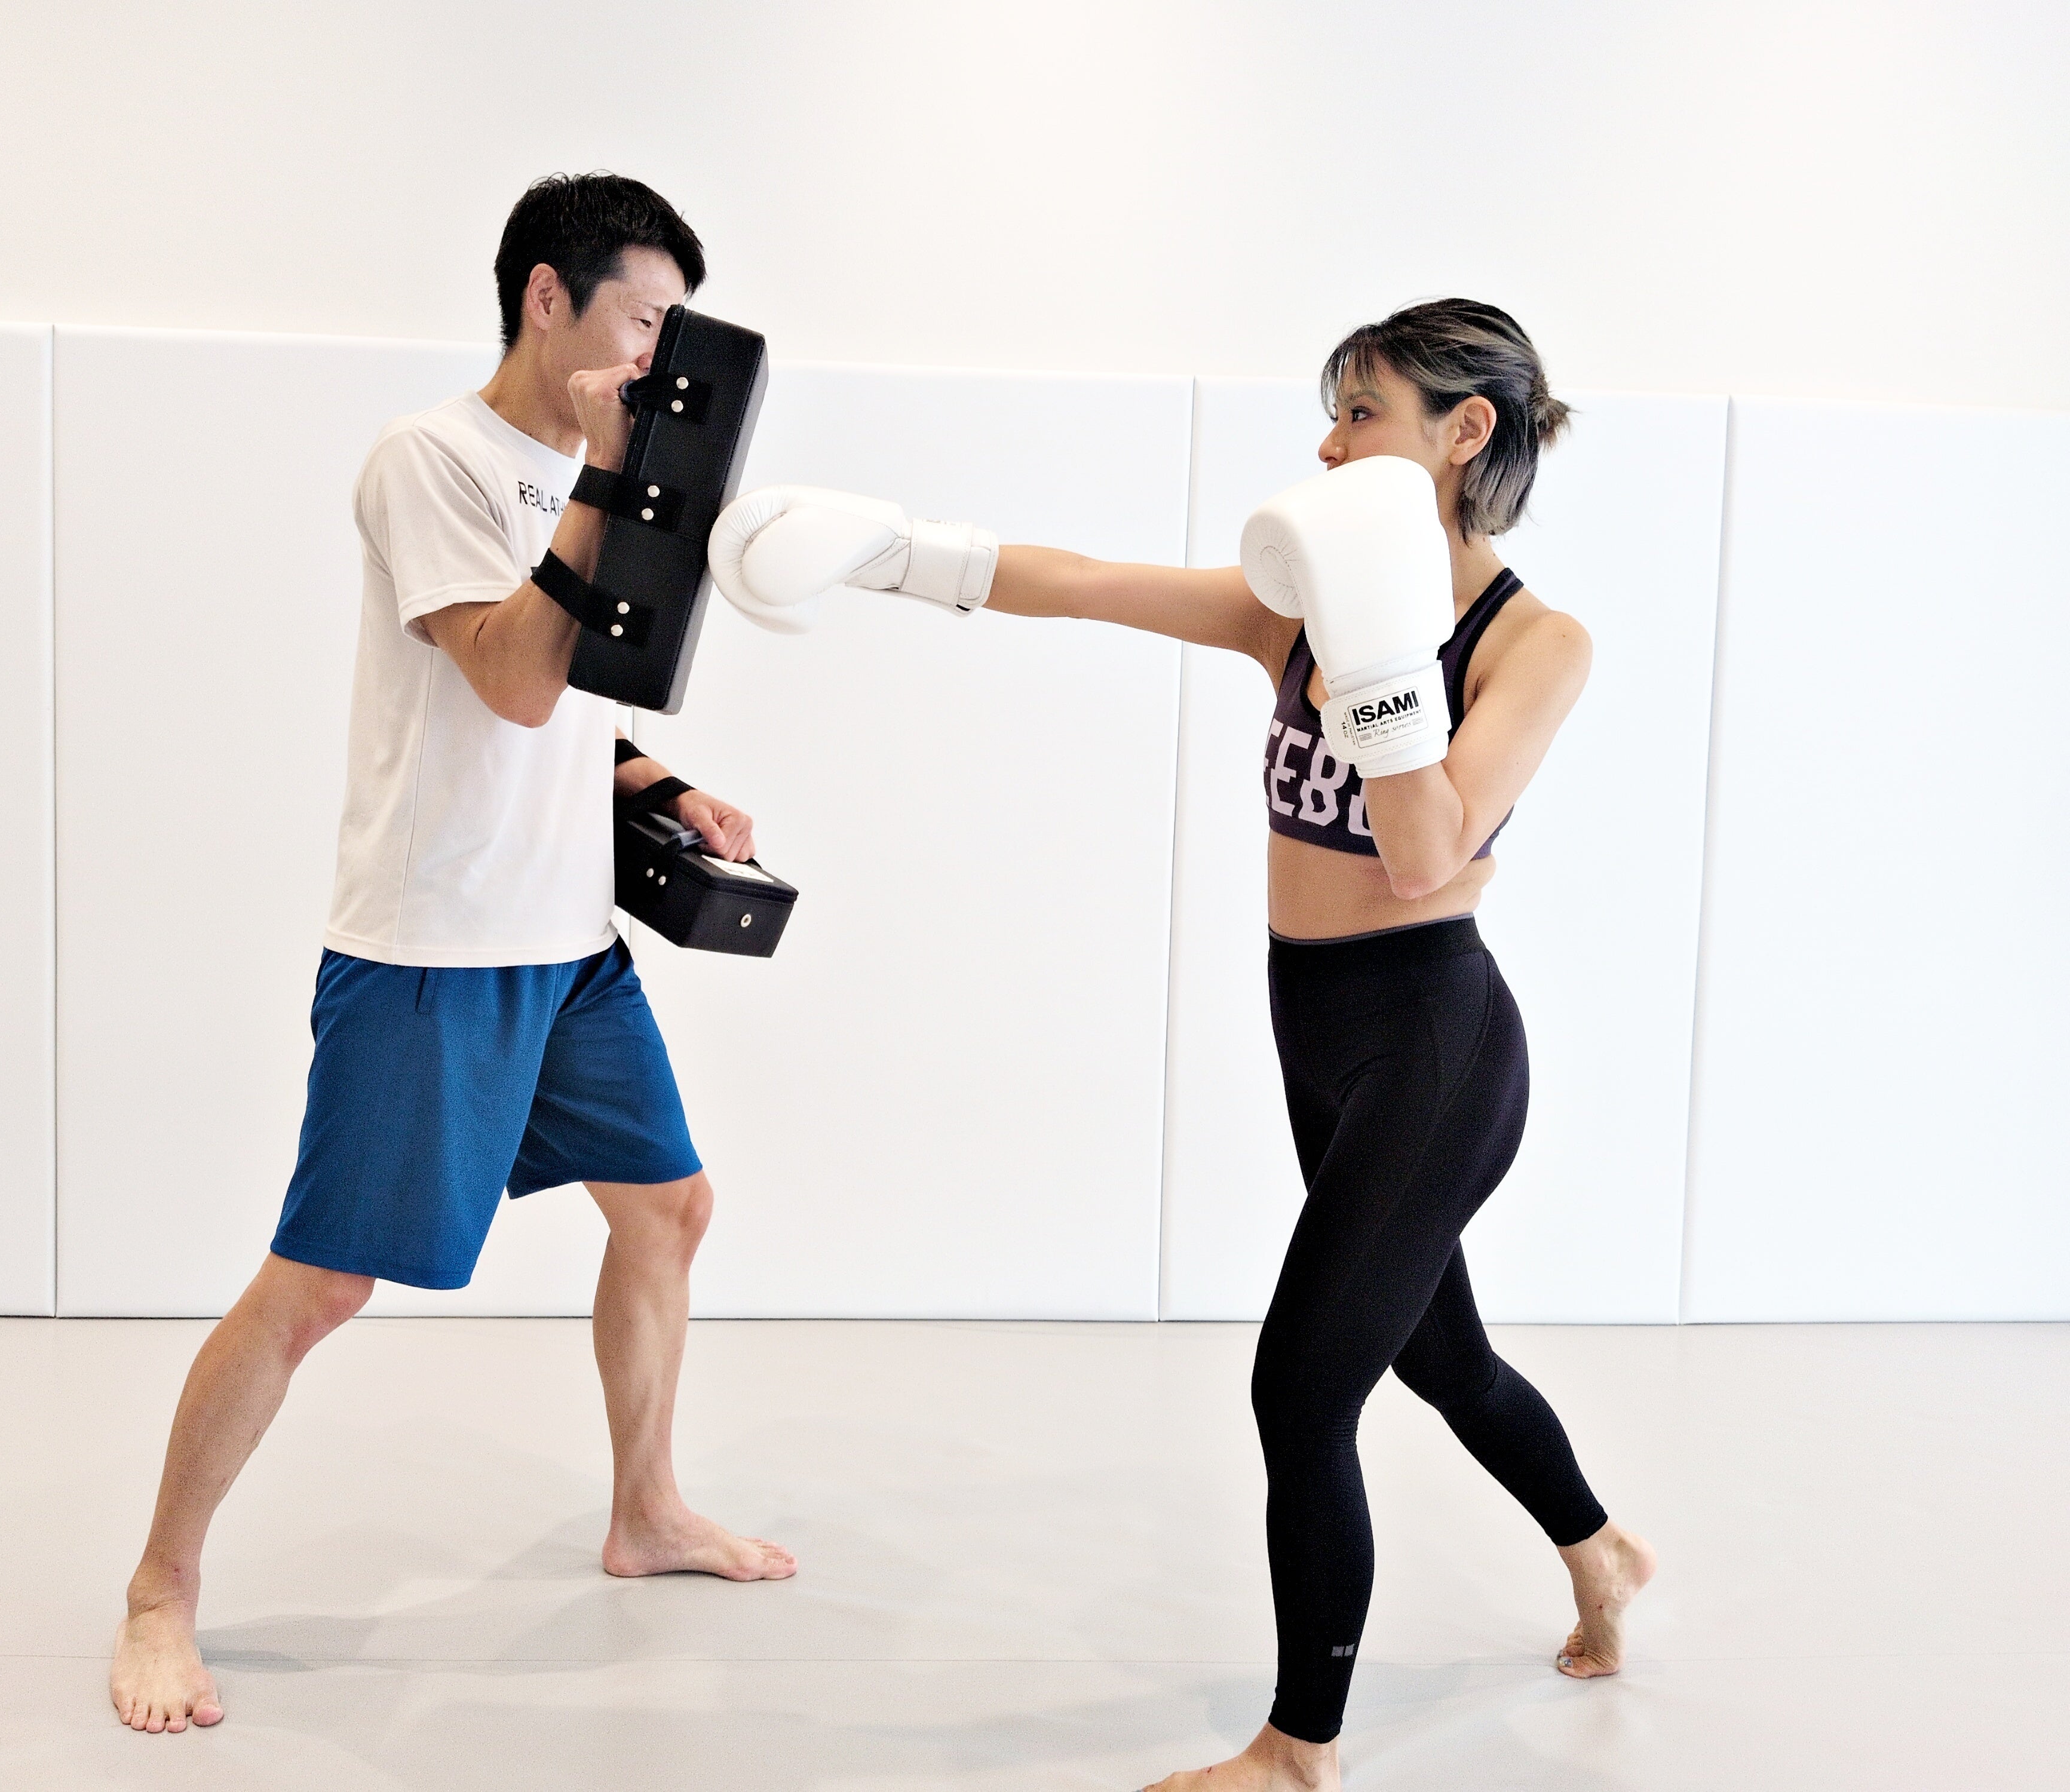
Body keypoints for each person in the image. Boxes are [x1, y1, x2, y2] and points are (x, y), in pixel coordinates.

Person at [709, 299, 1655, 1791]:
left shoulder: (1535, 644)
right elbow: (1088, 585)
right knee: (1444, 1356)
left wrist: (1380, 647)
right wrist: (886, 550)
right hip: (1315, 1028)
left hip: (1432, 1046)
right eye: (1331, 412)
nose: (1327, 446)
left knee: (1302, 1390)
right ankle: (1599, 1551)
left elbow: (1424, 851)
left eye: (1362, 413)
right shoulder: (1292, 609)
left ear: (1463, 432)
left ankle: (1297, 1751)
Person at [110, 172, 795, 1738]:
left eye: (673, 330)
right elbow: (505, 676)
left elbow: (573, 718)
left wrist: (665, 788)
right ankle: (159, 1588)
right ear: (548, 299)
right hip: (433, 952)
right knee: (319, 1285)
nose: (657, 359)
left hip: (569, 946)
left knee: (670, 1208)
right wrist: (603, 485)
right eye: (640, 321)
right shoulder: (429, 460)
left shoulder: (585, 476)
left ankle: (646, 1511)